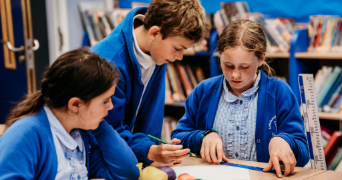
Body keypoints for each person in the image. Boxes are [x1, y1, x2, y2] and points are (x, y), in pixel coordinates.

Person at [171, 19, 309, 178]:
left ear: (261, 58)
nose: (235, 75)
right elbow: (177, 138)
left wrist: (285, 141)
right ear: (219, 57)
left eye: (244, 67)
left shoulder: (279, 91)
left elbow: (303, 153)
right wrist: (203, 136)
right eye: (228, 65)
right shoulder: (204, 91)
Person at [90, 0, 208, 167]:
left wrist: (151, 151)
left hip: (133, 157)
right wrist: (148, 150)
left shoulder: (158, 49)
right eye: (177, 48)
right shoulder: (109, 62)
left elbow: (152, 111)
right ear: (154, 33)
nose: (180, 57)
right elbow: (107, 129)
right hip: (104, 160)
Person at [0, 49, 140, 180]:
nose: (111, 106)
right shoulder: (27, 134)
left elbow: (128, 172)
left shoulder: (80, 133)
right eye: (105, 101)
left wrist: (99, 125)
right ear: (74, 105)